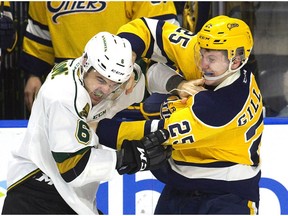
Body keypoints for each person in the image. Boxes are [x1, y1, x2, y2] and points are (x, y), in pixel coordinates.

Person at [95, 15, 264, 214]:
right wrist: (127, 59)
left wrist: (94, 128)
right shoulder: (206, 53)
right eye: (201, 54)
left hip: (228, 196)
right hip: (180, 189)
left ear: (236, 62)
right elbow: (146, 28)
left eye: (211, 59)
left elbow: (149, 133)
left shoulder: (224, 106)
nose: (202, 64)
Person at [1, 32, 172, 214]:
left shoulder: (104, 74)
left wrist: (179, 83)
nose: (104, 91)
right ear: (84, 63)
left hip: (68, 193)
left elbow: (149, 75)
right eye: (100, 80)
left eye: (114, 84)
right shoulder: (62, 96)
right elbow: (74, 169)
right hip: (35, 191)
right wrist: (128, 158)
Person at [21, 1, 179, 111]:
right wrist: (34, 73)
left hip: (123, 91)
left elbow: (161, 35)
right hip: (69, 89)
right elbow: (40, 32)